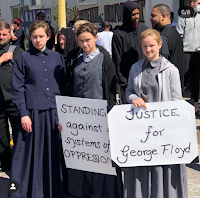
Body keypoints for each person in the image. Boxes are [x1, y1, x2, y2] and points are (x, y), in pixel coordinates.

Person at [125, 28, 187, 198]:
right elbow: (129, 91)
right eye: (145, 46)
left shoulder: (171, 70)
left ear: (159, 44)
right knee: (141, 167)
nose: (148, 50)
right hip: (140, 132)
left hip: (163, 134)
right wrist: (133, 99)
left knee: (162, 171)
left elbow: (177, 101)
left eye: (152, 45)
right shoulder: (135, 68)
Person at [64, 22, 123, 198]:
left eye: (88, 40)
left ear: (96, 38)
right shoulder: (75, 59)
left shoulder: (105, 59)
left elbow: (111, 92)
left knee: (100, 157)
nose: (85, 44)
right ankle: (82, 189)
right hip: (78, 118)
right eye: (81, 41)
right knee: (81, 156)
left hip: (98, 117)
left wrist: (110, 117)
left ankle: (102, 191)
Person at [10, 20, 66, 198]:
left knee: (52, 154)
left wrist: (63, 114)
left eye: (41, 36)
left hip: (53, 112)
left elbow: (62, 86)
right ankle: (22, 192)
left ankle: (51, 190)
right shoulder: (23, 58)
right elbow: (17, 89)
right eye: (34, 37)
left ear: (48, 37)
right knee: (27, 156)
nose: (38, 40)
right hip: (32, 114)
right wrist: (24, 114)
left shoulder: (57, 57)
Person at [112, 0, 147, 104]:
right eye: (133, 14)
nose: (136, 17)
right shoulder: (119, 34)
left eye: (138, 14)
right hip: (128, 82)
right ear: (127, 15)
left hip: (145, 79)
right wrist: (124, 85)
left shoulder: (143, 29)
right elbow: (117, 60)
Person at [0, 22, 23, 172]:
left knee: (18, 133)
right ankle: (6, 163)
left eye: (4, 34)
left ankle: (19, 164)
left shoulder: (17, 51)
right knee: (1, 136)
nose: (1, 37)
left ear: (10, 35)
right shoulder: (4, 55)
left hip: (14, 100)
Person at [150, 4, 184, 88]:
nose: (151, 19)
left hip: (167, 87)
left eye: (153, 16)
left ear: (163, 16)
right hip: (177, 85)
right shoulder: (175, 33)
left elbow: (162, 65)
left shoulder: (163, 37)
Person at [176, 0, 200, 116]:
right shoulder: (183, 15)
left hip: (198, 53)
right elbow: (179, 34)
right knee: (182, 80)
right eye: (198, 3)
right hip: (185, 52)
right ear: (192, 3)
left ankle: (196, 108)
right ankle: (178, 108)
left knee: (196, 81)